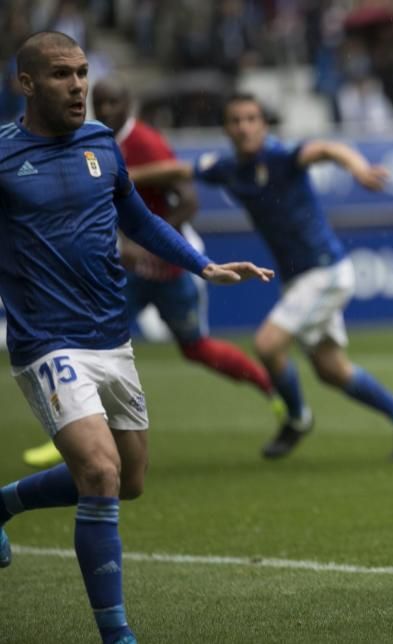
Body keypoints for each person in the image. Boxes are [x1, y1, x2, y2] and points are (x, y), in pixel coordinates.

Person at [0, 31, 273, 644]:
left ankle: (3, 505)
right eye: (61, 76)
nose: (77, 86)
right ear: (26, 84)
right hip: (48, 342)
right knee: (99, 472)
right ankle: (117, 634)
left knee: (129, 478)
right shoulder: (3, 156)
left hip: (111, 336)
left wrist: (201, 264)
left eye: (81, 73)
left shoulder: (100, 143)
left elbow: (140, 218)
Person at [129, 93, 393, 460]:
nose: (244, 127)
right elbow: (178, 171)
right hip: (300, 279)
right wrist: (124, 178)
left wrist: (357, 167)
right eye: (236, 120)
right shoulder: (227, 167)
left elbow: (325, 149)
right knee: (331, 370)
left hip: (325, 272)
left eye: (251, 119)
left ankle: (298, 418)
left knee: (268, 345)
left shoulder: (280, 157)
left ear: (263, 125)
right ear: (226, 128)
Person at [21, 77, 281, 471]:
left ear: (130, 104)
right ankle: (69, 438)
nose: (107, 110)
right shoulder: (98, 140)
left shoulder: (144, 143)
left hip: (170, 268)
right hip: (131, 272)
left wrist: (145, 243)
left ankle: (268, 387)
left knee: (195, 348)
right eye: (101, 103)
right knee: (87, 345)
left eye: (114, 103)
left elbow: (189, 200)